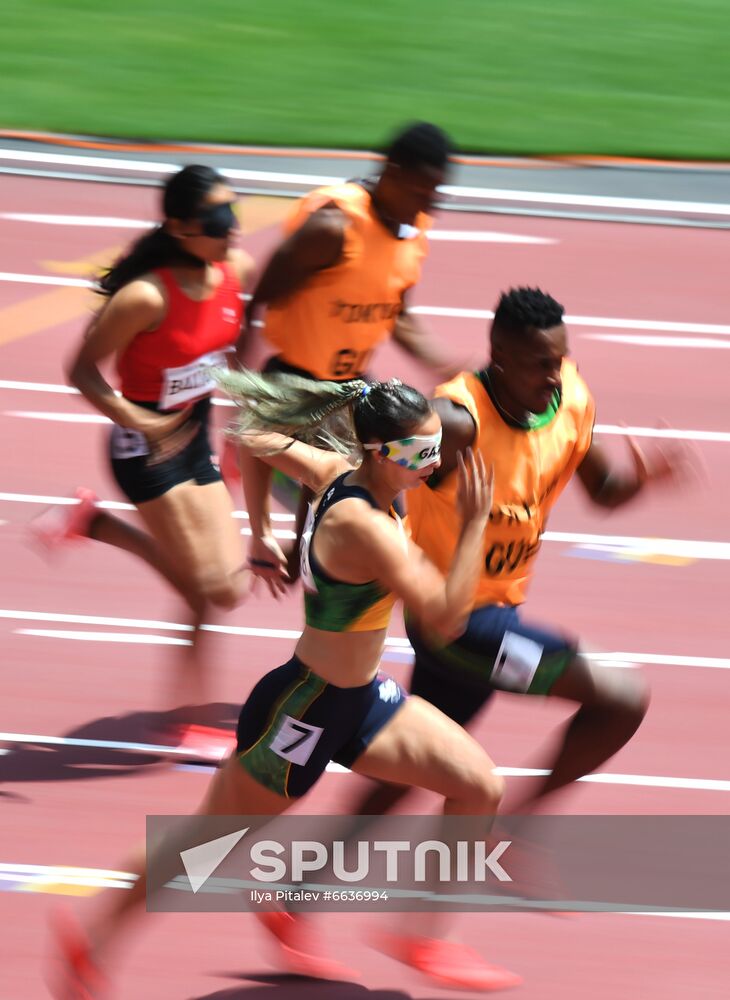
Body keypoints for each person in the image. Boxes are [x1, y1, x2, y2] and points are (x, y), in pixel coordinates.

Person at [52, 375, 521, 996]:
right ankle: (93, 941)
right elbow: (444, 617)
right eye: (418, 455)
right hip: (303, 712)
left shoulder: (339, 466)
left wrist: (260, 531)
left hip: (360, 700)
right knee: (204, 848)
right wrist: (472, 527)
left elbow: (250, 434)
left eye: (436, 450)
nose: (432, 465)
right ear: (378, 451)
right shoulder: (364, 525)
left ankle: (424, 936)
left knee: (479, 785)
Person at [356, 286, 694, 820]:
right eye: (539, 365)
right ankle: (515, 828)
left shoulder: (570, 401)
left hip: (498, 610)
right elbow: (372, 463)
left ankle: (302, 884)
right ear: (499, 358)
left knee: (421, 762)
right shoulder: (458, 423)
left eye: (559, 360)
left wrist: (644, 480)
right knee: (622, 696)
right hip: (454, 619)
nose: (554, 376)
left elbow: (604, 491)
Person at [34, 164, 253, 750]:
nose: (232, 229)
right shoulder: (144, 296)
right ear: (180, 227)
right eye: (216, 220)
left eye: (235, 212)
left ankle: (93, 522)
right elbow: (81, 369)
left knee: (227, 589)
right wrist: (140, 420)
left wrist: (238, 421)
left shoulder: (235, 272)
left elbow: (231, 350)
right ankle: (190, 719)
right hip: (145, 448)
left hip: (197, 435)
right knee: (203, 590)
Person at [225, 121, 461, 575]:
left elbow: (399, 314)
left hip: (352, 395)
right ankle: (274, 547)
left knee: (384, 528)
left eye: (438, 192)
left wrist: (447, 362)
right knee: (356, 531)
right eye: (423, 190)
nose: (431, 204)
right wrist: (241, 393)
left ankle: (299, 556)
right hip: (292, 388)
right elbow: (259, 297)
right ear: (393, 171)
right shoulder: (333, 227)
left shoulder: (413, 232)